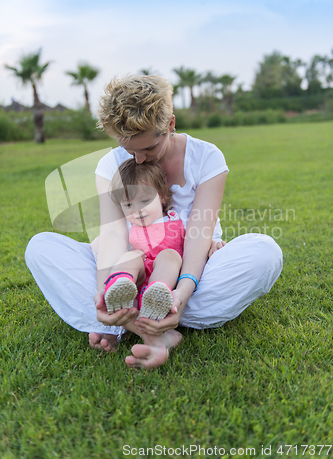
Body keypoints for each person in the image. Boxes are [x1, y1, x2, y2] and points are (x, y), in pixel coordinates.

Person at [25, 74, 283, 370]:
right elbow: (111, 236)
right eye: (129, 149)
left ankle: (141, 318)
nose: (137, 160)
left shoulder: (206, 158)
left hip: (192, 272)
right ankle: (139, 318)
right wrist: (103, 293)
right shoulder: (110, 165)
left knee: (265, 251)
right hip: (128, 272)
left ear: (170, 125)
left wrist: (182, 295)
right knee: (41, 247)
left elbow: (198, 236)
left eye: (147, 149)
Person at [104, 158, 185, 321]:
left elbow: (194, 239)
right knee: (130, 256)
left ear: (162, 196)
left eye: (144, 201)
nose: (137, 210)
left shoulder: (174, 219)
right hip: (139, 274)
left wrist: (211, 243)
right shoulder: (128, 226)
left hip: (166, 273)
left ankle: (155, 295)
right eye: (128, 205)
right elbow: (112, 241)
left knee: (169, 255)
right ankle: (120, 284)